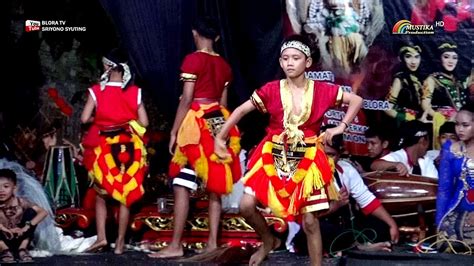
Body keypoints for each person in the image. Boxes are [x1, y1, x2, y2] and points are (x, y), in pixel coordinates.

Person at [214, 34, 363, 266]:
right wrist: (220, 137)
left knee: (310, 221)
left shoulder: (322, 90)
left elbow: (356, 100)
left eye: (296, 58)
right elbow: (241, 110)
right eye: (285, 58)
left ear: (308, 62)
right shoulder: (271, 89)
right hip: (272, 154)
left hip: (308, 156)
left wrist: (340, 127)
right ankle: (268, 241)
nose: (290, 63)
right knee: (245, 205)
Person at [149, 17, 241, 259]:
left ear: (194, 33)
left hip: (196, 122)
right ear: (217, 37)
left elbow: (188, 99)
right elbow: (223, 103)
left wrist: (174, 130)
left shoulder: (192, 59)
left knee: (181, 183)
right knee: (215, 185)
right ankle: (212, 243)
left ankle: (176, 244)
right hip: (218, 121)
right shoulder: (225, 65)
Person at [80, 48, 149, 254]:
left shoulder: (97, 91)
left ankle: (101, 238)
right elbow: (144, 122)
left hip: (105, 146)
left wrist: (101, 119)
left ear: (109, 67)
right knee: (125, 193)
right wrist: (125, 120)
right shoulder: (134, 91)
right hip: (129, 146)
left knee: (101, 194)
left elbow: (84, 119)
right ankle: (120, 242)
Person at [435, 103, 474, 251]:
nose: (460, 129)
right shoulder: (451, 149)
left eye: (465, 125)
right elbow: (444, 190)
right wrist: (439, 222)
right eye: (457, 124)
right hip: (457, 209)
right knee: (447, 242)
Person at [421, 42, 469, 149]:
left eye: (454, 58)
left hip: (458, 124)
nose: (451, 61)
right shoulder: (432, 79)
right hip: (441, 123)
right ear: (440, 59)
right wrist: (440, 117)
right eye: (446, 57)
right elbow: (425, 104)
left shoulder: (459, 81)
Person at [0, 169, 48, 263]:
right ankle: (5, 250)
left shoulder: (21, 202)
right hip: (2, 238)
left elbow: (43, 212)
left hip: (19, 236)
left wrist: (26, 227)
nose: (1, 190)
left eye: (6, 186)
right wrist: (3, 228)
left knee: (31, 212)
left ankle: (22, 249)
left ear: (14, 188)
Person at [371, 120, 438, 179]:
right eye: (428, 140)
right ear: (422, 141)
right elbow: (375, 165)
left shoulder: (427, 160)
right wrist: (395, 164)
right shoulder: (399, 156)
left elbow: (433, 183)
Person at [385, 44, 423, 126]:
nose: (413, 62)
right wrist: (405, 117)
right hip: (403, 125)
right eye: (408, 56)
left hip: (417, 124)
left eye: (417, 57)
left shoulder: (419, 79)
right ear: (402, 59)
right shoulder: (399, 79)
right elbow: (387, 108)